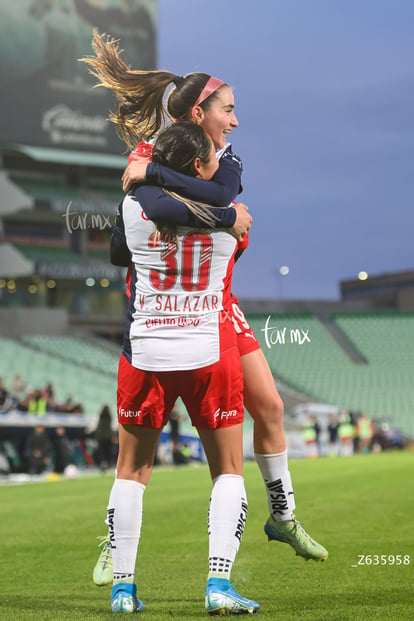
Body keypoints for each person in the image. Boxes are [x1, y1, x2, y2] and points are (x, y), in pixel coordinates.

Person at [82, 30, 328, 586]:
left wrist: (160, 180)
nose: (236, 122)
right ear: (200, 111)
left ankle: (283, 517)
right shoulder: (155, 153)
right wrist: (177, 192)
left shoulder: (196, 158)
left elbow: (219, 192)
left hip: (218, 299)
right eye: (229, 109)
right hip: (168, 304)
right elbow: (161, 204)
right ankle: (114, 541)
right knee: (144, 448)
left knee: (269, 407)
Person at [93, 121, 259, 614]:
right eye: (210, 156)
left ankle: (123, 589)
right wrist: (221, 210)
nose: (215, 160)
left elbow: (119, 251)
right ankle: (218, 585)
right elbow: (231, 221)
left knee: (131, 471)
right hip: (208, 352)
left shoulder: (132, 206)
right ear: (195, 166)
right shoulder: (232, 222)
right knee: (228, 470)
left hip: (144, 351)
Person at [94, 405, 114, 472]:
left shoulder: (101, 417)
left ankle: (103, 464)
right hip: (108, 437)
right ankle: (108, 464)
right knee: (108, 451)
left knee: (102, 451)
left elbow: (98, 427)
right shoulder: (109, 417)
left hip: (101, 437)